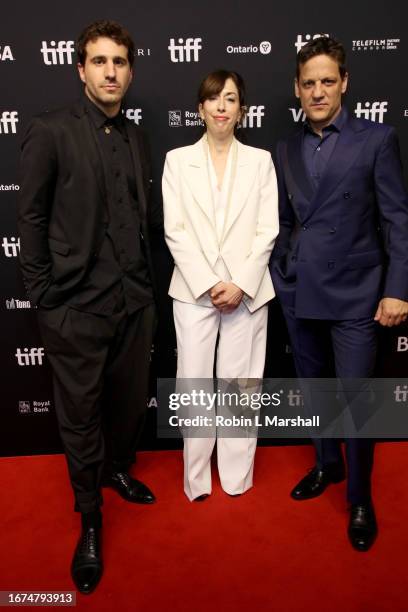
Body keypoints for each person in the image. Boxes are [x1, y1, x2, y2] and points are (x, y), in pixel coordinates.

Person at [18, 20, 161, 593]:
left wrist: (146, 293)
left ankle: (115, 470)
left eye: (120, 62)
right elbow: (29, 219)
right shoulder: (51, 132)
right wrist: (46, 299)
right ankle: (90, 519)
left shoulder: (135, 137)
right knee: (80, 420)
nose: (111, 71)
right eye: (100, 61)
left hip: (133, 304)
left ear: (130, 70)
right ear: (81, 70)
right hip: (76, 308)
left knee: (126, 407)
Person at [271, 36, 408, 551]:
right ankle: (327, 466)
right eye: (309, 83)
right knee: (316, 392)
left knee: (356, 401)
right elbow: (285, 222)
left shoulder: (378, 138)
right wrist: (284, 272)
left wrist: (397, 289)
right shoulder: (285, 146)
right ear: (297, 89)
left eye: (328, 81)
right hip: (302, 290)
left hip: (357, 294)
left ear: (345, 83)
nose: (319, 91)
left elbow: (397, 220)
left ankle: (359, 497)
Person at [162, 70, 279, 501]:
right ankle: (196, 481)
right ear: (201, 108)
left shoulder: (261, 160)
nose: (222, 106)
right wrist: (211, 282)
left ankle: (235, 476)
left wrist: (240, 284)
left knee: (240, 385)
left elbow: (268, 230)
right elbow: (174, 230)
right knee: (193, 382)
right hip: (194, 291)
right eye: (214, 98)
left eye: (230, 99)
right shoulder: (177, 160)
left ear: (241, 109)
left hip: (246, 291)